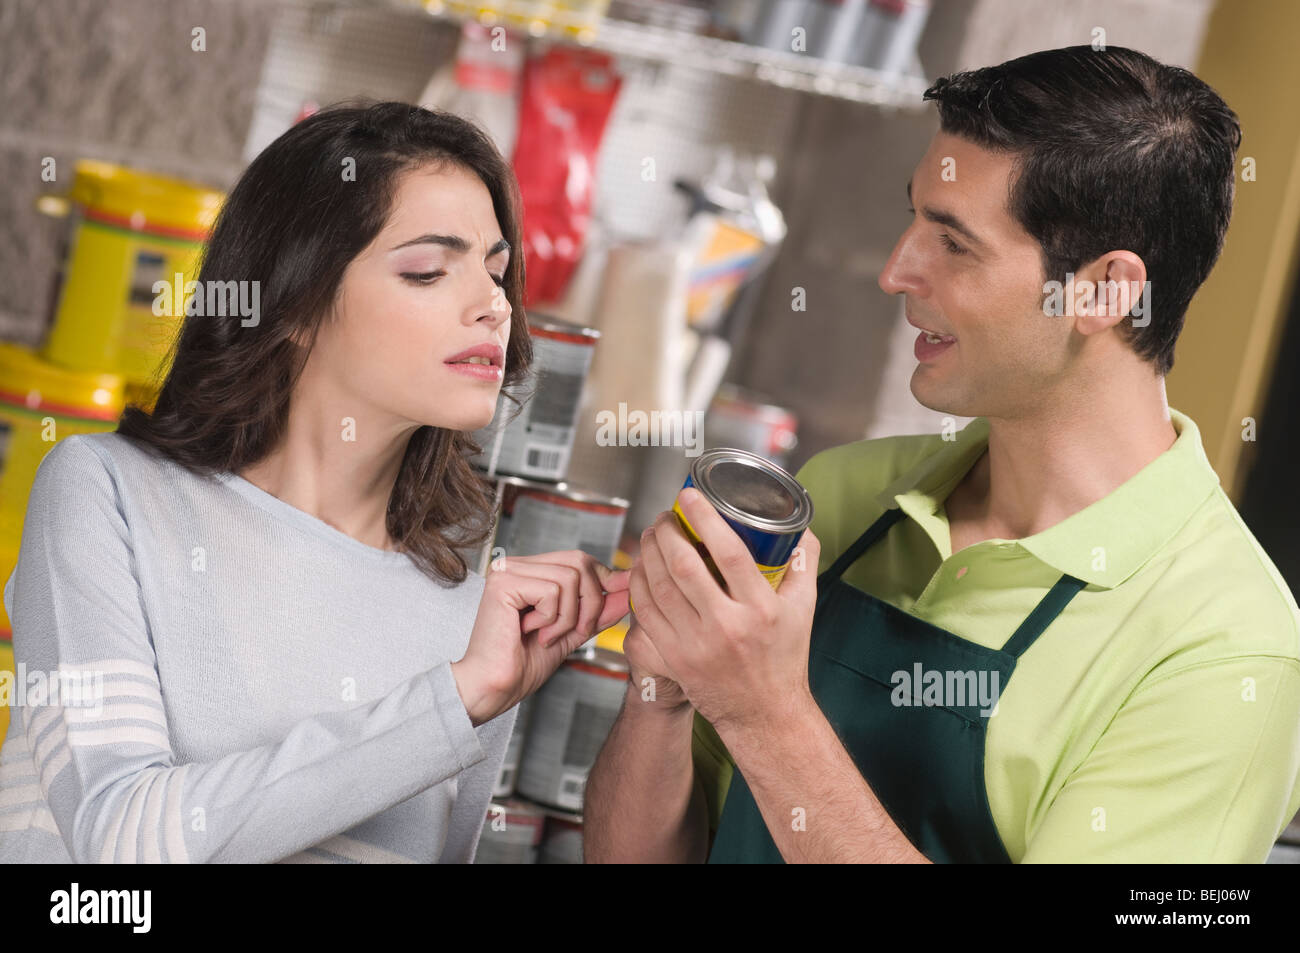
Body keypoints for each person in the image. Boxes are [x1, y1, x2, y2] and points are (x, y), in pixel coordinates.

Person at [585, 46, 1300, 863]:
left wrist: (765, 713)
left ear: (1104, 289)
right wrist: (661, 687)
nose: (896, 271)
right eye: (914, 218)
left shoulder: (1226, 651)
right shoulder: (843, 496)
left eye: (954, 244)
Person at [0, 102, 629, 863]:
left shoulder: (472, 615)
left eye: (497, 273)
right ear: (295, 301)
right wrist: (452, 702)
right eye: (429, 270)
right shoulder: (108, 496)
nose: (493, 305)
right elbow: (121, 837)